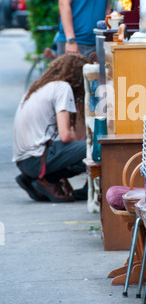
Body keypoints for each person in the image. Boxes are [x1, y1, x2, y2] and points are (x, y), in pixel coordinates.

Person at [13, 53, 89, 203]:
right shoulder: (62, 88)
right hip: (36, 160)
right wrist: (79, 146)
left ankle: (38, 179)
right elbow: (65, 135)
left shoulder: (39, 87)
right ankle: (50, 180)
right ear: (78, 77)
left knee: (80, 148)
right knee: (96, 148)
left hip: (24, 161)